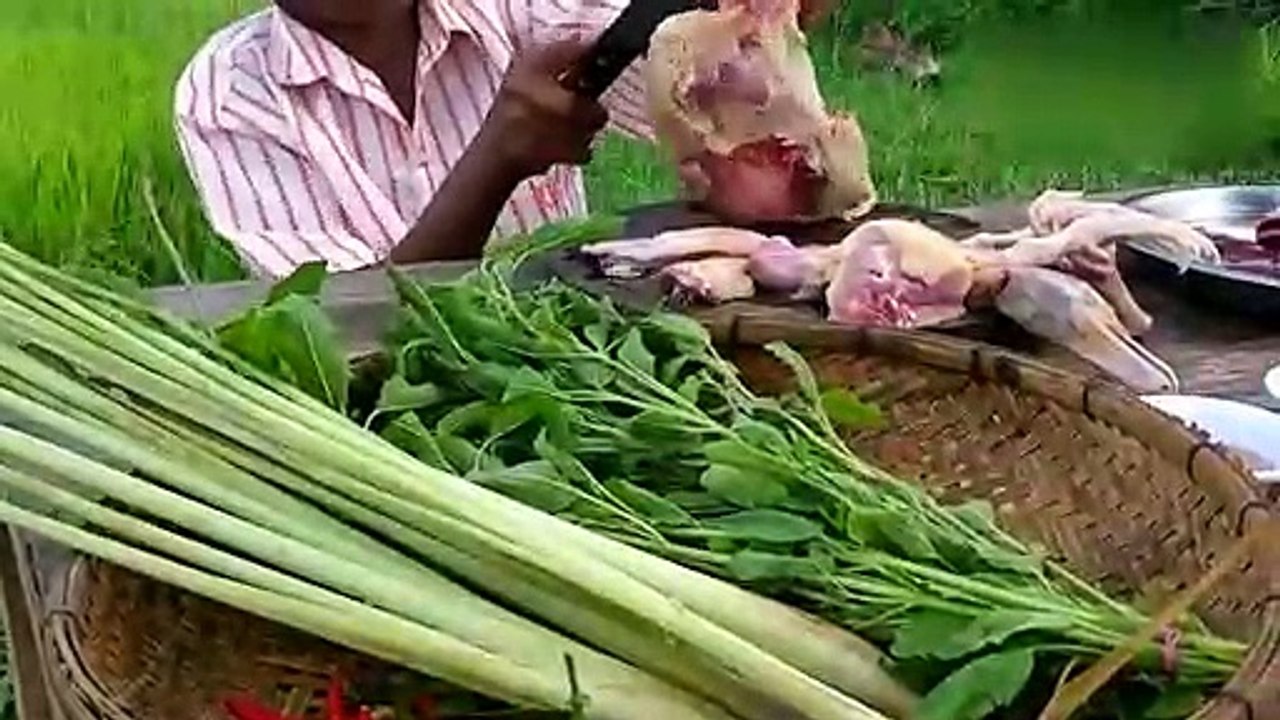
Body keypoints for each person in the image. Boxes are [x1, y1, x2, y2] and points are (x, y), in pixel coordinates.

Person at [176, 0, 834, 277]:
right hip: (401, 440)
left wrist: (751, 23)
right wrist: (494, 164)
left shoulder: (515, 6)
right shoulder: (229, 93)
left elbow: (699, 72)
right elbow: (348, 335)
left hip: (590, 365)